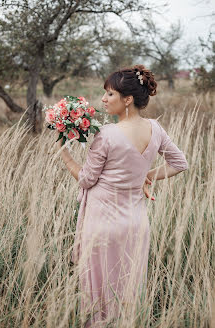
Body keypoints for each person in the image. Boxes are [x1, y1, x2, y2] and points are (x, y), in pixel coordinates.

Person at [56, 65, 189, 327]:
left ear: (127, 100)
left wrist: (65, 155)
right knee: (127, 290)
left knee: (99, 294)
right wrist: (147, 175)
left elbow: (86, 179)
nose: (103, 100)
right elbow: (179, 163)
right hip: (136, 225)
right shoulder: (156, 129)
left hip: (102, 224)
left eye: (110, 94)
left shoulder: (106, 134)